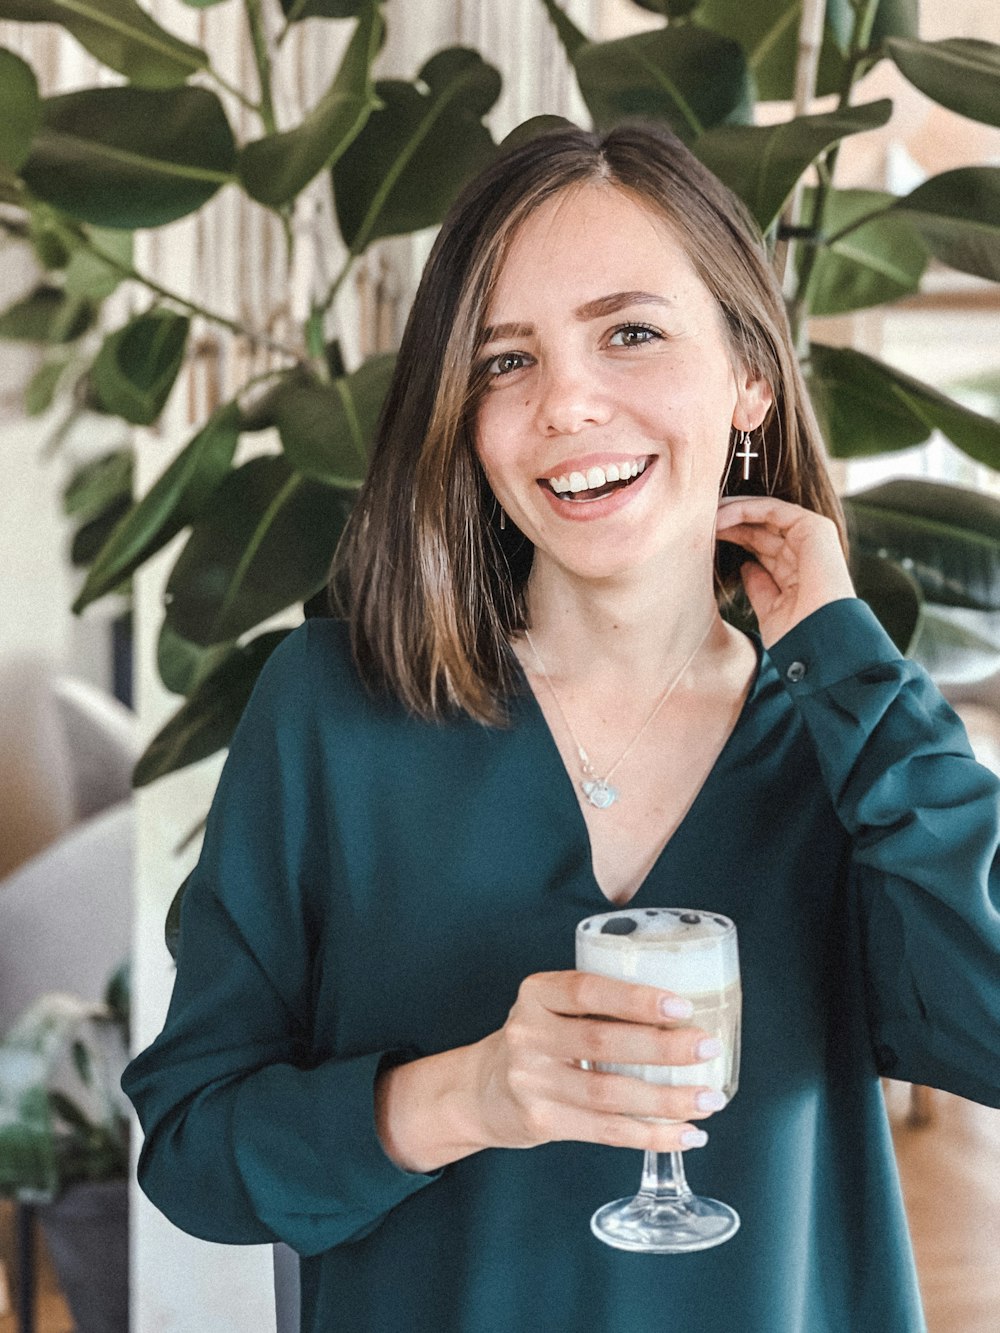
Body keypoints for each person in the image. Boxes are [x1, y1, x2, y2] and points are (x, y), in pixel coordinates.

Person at [122, 122, 1000, 1333]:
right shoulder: (330, 710)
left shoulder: (840, 735)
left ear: (751, 372)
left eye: (630, 333)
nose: (566, 404)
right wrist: (465, 1095)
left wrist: (847, 658)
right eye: (503, 361)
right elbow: (192, 1152)